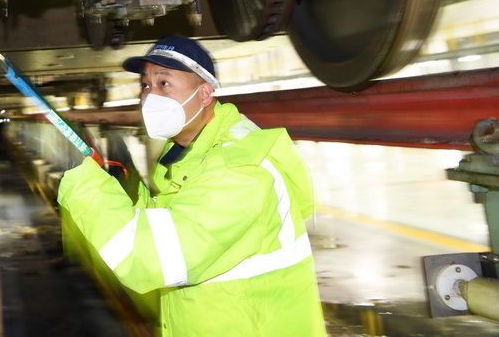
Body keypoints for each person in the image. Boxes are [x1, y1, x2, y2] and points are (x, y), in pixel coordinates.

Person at [57, 35, 324, 336]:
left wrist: (84, 182)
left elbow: (150, 259)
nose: (149, 97)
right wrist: (126, 190)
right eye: (145, 85)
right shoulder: (193, 157)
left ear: (204, 94)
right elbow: (177, 225)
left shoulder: (241, 171)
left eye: (164, 84)